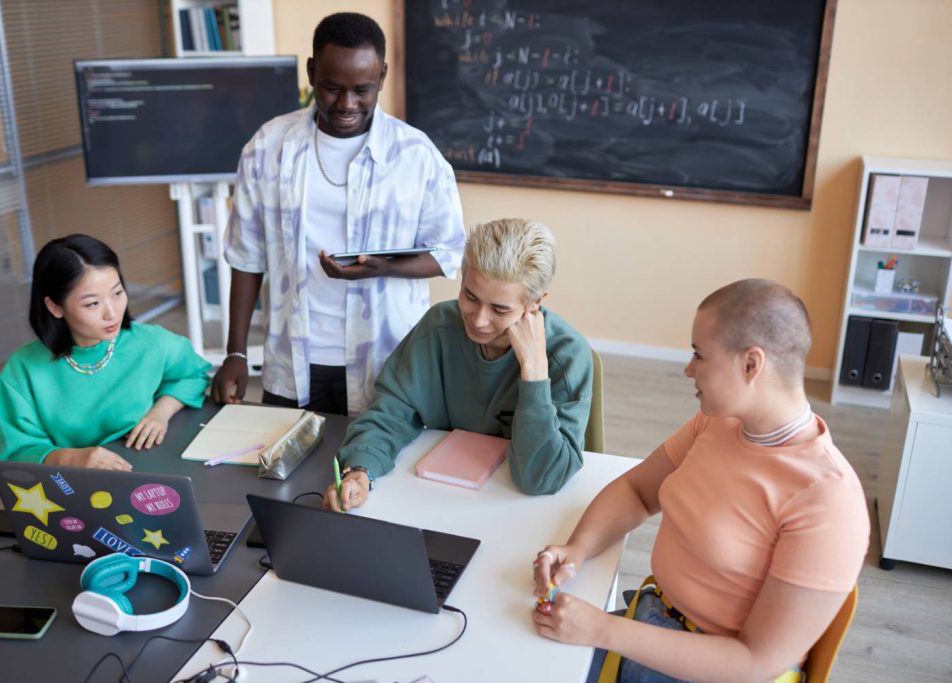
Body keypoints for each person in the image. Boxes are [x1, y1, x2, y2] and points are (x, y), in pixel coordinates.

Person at [531, 279, 869, 683]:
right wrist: (577, 549)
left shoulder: (829, 501)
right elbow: (637, 492)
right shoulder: (717, 422)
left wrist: (603, 629)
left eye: (699, 355)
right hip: (650, 623)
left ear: (751, 364)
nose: (688, 369)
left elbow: (755, 662)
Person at [212, 12, 466, 416]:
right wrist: (237, 353)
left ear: (382, 75)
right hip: (291, 361)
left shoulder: (416, 156)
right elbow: (246, 256)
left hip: (386, 360)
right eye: (332, 88)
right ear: (312, 72)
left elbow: (449, 252)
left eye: (363, 89)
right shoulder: (267, 148)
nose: (347, 104)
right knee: (284, 473)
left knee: (373, 474)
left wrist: (382, 267)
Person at [324, 218, 593, 511]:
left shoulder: (567, 355)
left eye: (500, 309)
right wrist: (361, 471)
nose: (478, 320)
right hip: (442, 499)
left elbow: (540, 479)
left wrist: (535, 371)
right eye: (470, 296)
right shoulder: (439, 327)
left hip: (519, 509)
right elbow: (392, 412)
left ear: (535, 302)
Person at [0, 234, 211, 470]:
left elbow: (193, 375)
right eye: (92, 304)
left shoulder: (153, 342)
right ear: (55, 306)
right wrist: (71, 458)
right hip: (76, 486)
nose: (112, 313)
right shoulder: (22, 371)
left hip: (155, 467)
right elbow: (18, 451)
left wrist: (160, 412)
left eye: (117, 293)